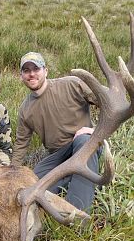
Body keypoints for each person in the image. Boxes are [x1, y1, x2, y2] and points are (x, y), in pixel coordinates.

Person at [12, 52, 102, 212]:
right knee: (32, 184)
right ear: (21, 76)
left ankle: (78, 217)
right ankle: (74, 179)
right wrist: (11, 174)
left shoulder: (72, 85)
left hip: (85, 143)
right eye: (26, 70)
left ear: (45, 71)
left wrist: (95, 131)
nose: (32, 74)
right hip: (57, 156)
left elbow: (107, 103)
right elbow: (21, 144)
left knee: (83, 142)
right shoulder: (25, 109)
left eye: (36, 68)